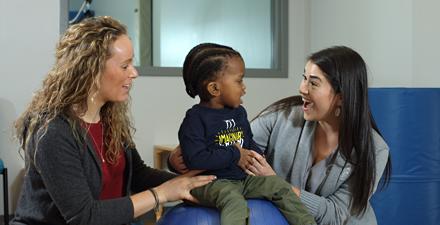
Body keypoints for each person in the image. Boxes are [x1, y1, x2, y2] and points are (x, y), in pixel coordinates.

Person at [11, 16, 215, 225]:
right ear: (91, 70)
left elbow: (138, 174)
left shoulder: (109, 117)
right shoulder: (52, 131)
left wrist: (188, 183)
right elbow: (85, 216)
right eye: (125, 66)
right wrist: (161, 194)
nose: (134, 73)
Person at [170, 46, 392, 225]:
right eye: (304, 78)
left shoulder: (374, 149)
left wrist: (277, 182)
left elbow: (336, 215)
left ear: (341, 97)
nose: (302, 89)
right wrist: (175, 160)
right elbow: (232, 143)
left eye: (313, 83)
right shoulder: (283, 117)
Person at [177, 43, 316, 225]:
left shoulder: (239, 113)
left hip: (243, 180)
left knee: (278, 185)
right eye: (239, 81)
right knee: (233, 200)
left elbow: (247, 140)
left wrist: (257, 154)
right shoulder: (195, 120)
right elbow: (196, 159)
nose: (244, 88)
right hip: (209, 183)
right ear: (214, 89)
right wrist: (235, 155)